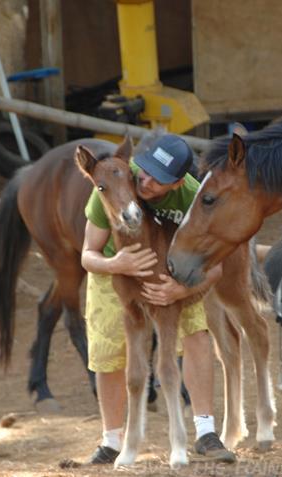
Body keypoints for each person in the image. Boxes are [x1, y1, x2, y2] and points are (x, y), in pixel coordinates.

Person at [81, 134, 236, 465]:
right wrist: (115, 264)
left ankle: (205, 431)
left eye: (159, 179)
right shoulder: (118, 176)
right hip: (114, 268)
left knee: (195, 335)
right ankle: (112, 439)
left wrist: (183, 289)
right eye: (146, 173)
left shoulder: (195, 196)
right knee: (108, 347)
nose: (147, 183)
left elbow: (216, 266)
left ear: (178, 182)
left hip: (177, 271)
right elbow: (88, 254)